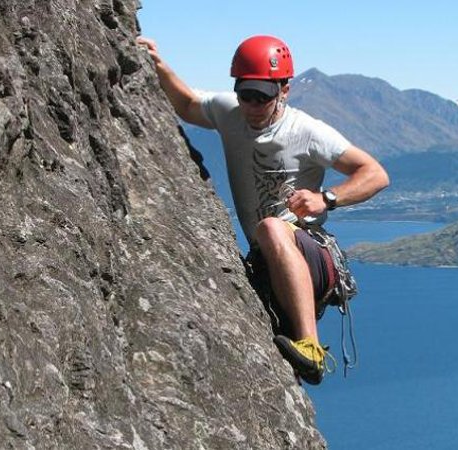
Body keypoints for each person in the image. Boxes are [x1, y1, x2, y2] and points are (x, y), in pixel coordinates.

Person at [137, 35, 389, 385]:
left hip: (310, 251)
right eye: (246, 95)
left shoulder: (307, 131)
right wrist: (159, 66)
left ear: (284, 90)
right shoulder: (230, 112)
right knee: (267, 234)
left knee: (271, 226)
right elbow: (189, 104)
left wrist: (327, 198)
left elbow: (375, 174)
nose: (253, 106)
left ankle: (312, 349)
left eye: (263, 97)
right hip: (269, 257)